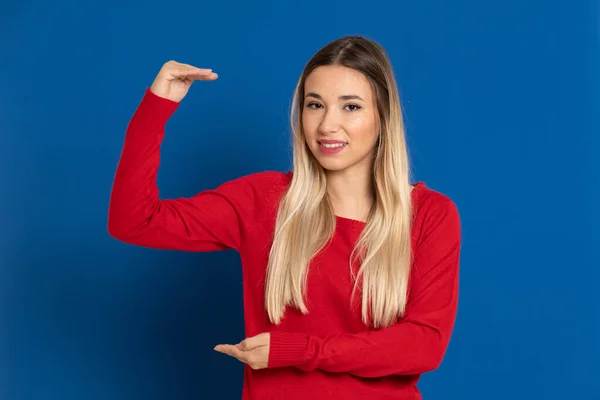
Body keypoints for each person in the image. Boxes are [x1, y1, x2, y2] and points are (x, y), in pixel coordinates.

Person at [108, 35, 461, 400]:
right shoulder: (263, 201)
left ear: (383, 116)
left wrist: (300, 351)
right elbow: (134, 220)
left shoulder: (429, 215)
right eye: (315, 105)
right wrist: (156, 108)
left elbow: (423, 345)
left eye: (351, 107)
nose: (327, 125)